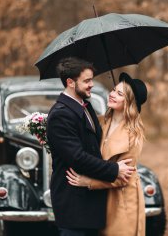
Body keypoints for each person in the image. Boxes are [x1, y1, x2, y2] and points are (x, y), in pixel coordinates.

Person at [46, 57, 135, 236]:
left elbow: (95, 142)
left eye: (91, 79)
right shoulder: (61, 115)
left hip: (91, 202)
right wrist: (114, 169)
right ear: (70, 82)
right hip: (74, 202)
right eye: (86, 81)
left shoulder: (85, 105)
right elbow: (77, 158)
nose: (91, 85)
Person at [66, 72, 148, 236]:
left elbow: (124, 177)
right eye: (113, 90)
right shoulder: (100, 122)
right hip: (98, 200)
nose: (111, 94)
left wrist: (89, 182)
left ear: (129, 102)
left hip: (121, 200)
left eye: (119, 93)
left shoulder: (134, 134)